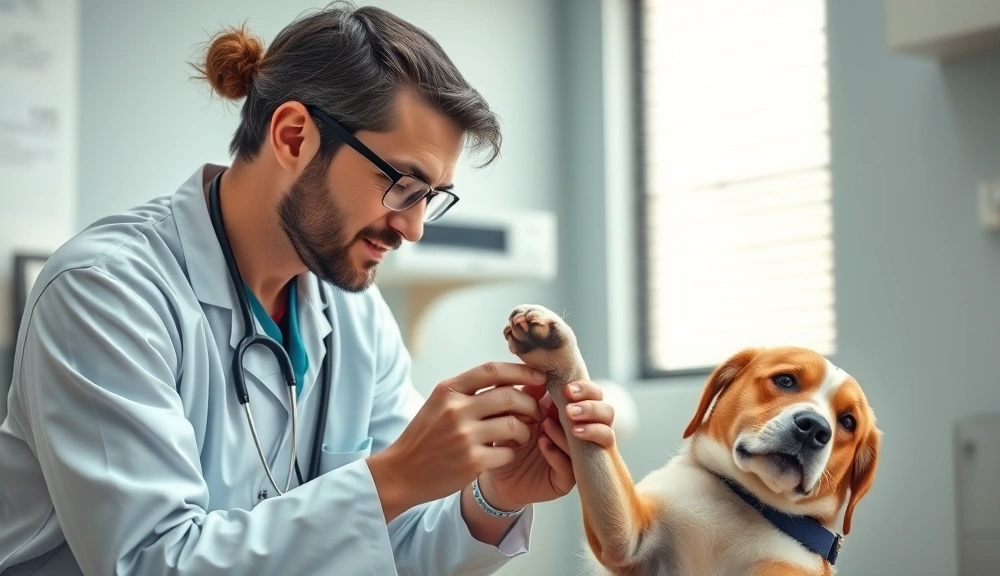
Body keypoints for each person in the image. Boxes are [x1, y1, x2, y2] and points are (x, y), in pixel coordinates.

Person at [0, 3, 617, 575]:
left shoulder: (353, 314)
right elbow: (151, 562)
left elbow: (387, 544)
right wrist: (394, 477)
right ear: (293, 135)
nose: (414, 227)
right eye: (403, 183)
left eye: (431, 197)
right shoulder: (106, 293)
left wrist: (492, 498)